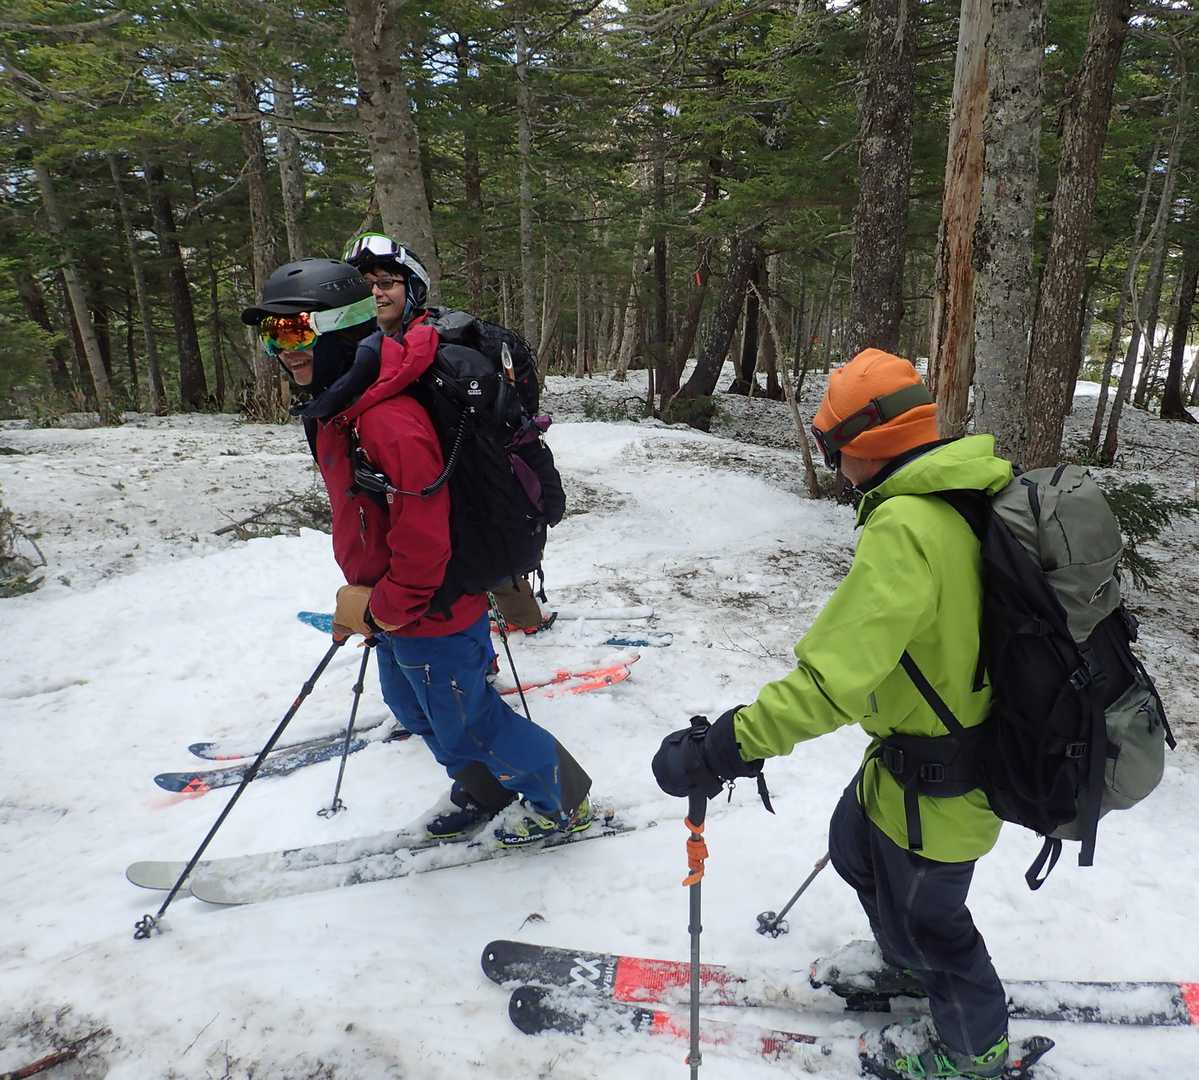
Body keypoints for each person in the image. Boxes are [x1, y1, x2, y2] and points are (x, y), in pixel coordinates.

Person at [652, 349, 1018, 1080]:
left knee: (933, 926)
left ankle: (974, 1053)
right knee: (853, 844)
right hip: (912, 762)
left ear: (866, 444)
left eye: (829, 446)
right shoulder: (957, 490)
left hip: (945, 782)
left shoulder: (908, 527)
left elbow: (831, 682)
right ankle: (905, 965)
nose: (831, 463)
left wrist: (727, 746)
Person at [241, 257, 591, 842]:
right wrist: (368, 598)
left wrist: (384, 606)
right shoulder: (340, 404)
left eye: (296, 331)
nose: (285, 350)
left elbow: (425, 539)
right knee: (412, 707)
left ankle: (565, 801)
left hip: (433, 605)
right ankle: (486, 788)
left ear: (341, 327)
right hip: (392, 605)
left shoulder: (389, 420)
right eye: (273, 335)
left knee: (469, 722)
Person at [342, 232, 557, 636]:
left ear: (412, 289)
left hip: (461, 492)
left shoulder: (439, 352)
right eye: (366, 285)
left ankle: (517, 624)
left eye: (386, 283)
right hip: (420, 493)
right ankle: (516, 619)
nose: (375, 293)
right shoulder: (374, 351)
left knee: (472, 559)